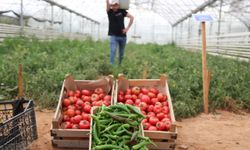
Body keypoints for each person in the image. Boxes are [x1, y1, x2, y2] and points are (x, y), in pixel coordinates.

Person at [106, 0, 134, 65]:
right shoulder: (109, 12)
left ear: (118, 6)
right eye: (113, 5)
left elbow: (132, 17)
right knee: (113, 51)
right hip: (113, 36)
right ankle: (111, 66)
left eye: (116, 5)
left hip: (123, 36)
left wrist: (127, 28)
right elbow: (107, 4)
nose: (114, 7)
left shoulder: (122, 11)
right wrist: (107, 2)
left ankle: (119, 65)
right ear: (111, 6)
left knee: (121, 53)